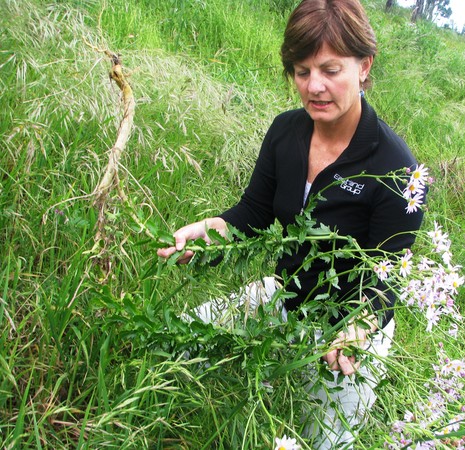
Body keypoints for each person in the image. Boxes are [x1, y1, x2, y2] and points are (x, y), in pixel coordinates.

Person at [158, 0, 425, 447]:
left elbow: (387, 278)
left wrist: (358, 327)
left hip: (351, 336)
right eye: (302, 71)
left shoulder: (399, 171)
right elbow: (253, 214)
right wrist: (209, 232)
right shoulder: (286, 131)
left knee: (321, 441)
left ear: (364, 66)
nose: (314, 86)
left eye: (330, 69)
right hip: (283, 297)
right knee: (177, 343)